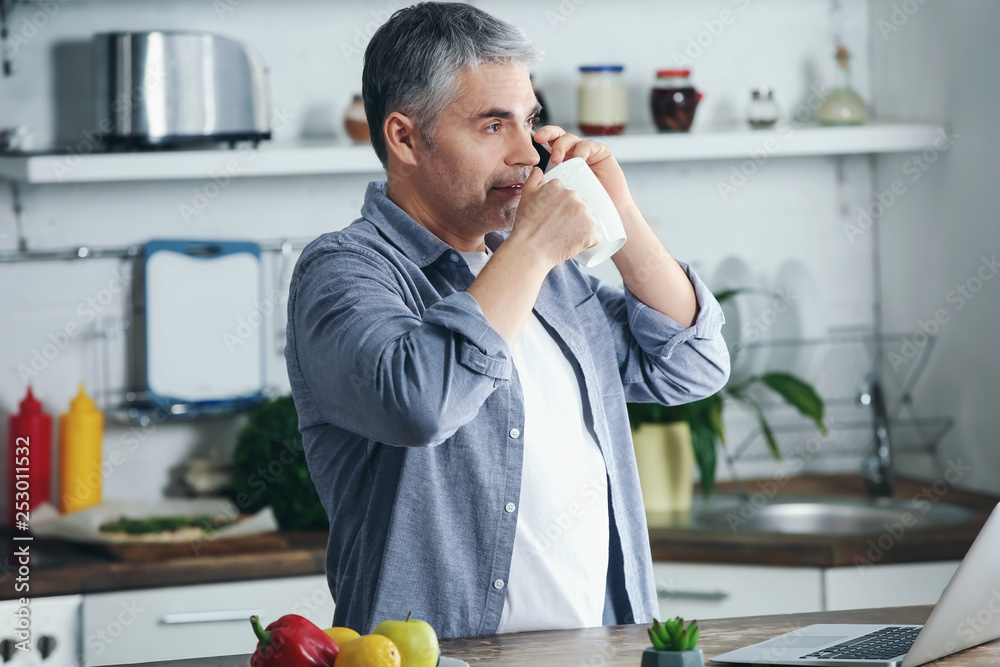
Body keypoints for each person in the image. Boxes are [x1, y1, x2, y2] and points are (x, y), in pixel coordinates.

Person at [284, 2, 729, 639]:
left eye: (530, 122)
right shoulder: (343, 271)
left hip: (604, 647)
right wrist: (533, 247)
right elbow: (419, 403)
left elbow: (693, 366)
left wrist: (619, 210)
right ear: (405, 138)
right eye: (494, 126)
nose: (527, 153)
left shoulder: (547, 273)